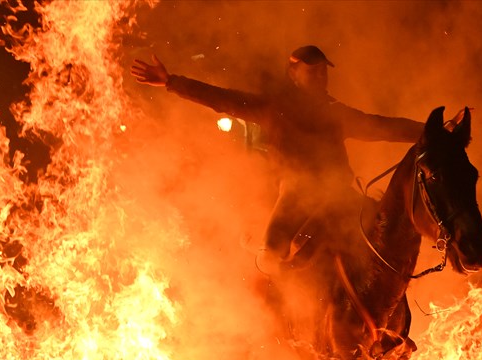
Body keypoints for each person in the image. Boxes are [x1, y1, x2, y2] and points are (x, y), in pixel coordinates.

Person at [130, 45, 425, 274]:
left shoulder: (335, 112)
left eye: (324, 71)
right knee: (272, 253)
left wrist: (431, 131)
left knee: (387, 241)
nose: (321, 77)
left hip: (339, 196)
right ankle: (278, 324)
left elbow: (381, 126)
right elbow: (223, 99)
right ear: (294, 75)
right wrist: (171, 82)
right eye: (313, 71)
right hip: (295, 195)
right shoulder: (274, 108)